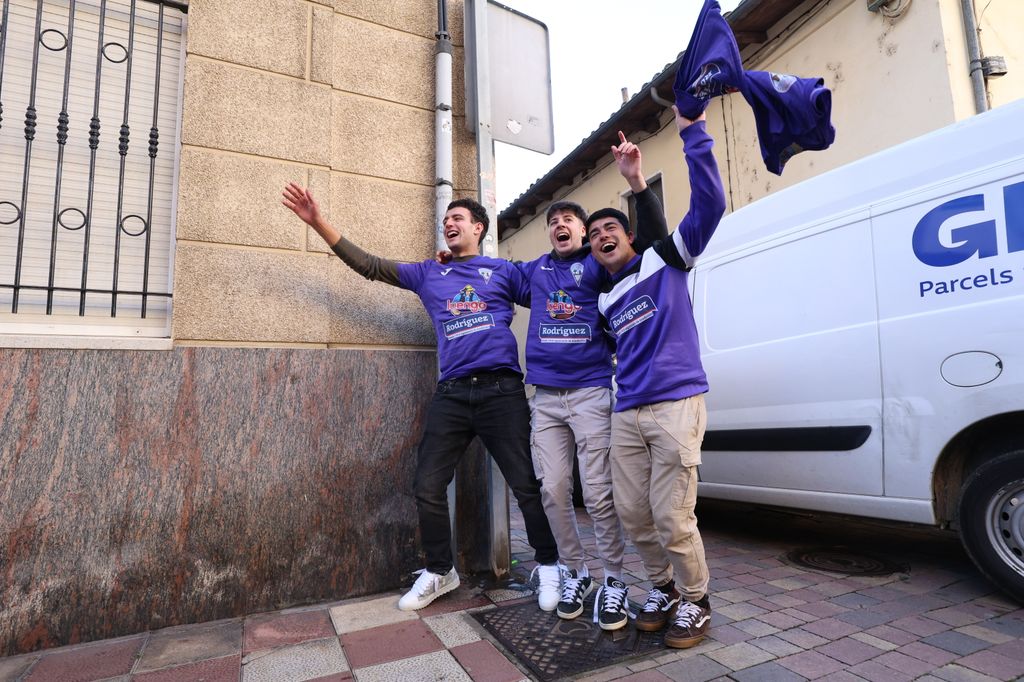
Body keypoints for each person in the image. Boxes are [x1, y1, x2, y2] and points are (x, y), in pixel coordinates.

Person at [281, 186, 562, 612]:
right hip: (451, 393)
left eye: (458, 219)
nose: (449, 223)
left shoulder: (502, 271)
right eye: (446, 220)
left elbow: (553, 293)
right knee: (427, 485)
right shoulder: (430, 273)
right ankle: (439, 571)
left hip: (501, 390)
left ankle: (549, 565)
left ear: (479, 228)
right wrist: (318, 222)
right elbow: (371, 267)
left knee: (525, 484)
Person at [515, 132, 668, 629]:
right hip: (546, 398)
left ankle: (615, 579)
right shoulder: (535, 271)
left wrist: (638, 185)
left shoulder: (597, 266)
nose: (560, 225)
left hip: (589, 392)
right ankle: (577, 571)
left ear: (583, 234)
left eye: (569, 221)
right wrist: (455, 263)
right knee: (554, 490)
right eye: (553, 221)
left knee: (600, 492)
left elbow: (640, 250)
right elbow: (491, 276)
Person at [589, 106, 726, 649]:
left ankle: (697, 601)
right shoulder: (604, 299)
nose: (602, 236)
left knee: (673, 516)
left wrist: (690, 133)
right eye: (594, 233)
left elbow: (710, 204)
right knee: (633, 514)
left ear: (629, 236)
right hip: (629, 411)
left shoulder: (665, 261)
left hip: (676, 405)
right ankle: (663, 589)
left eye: (610, 229)